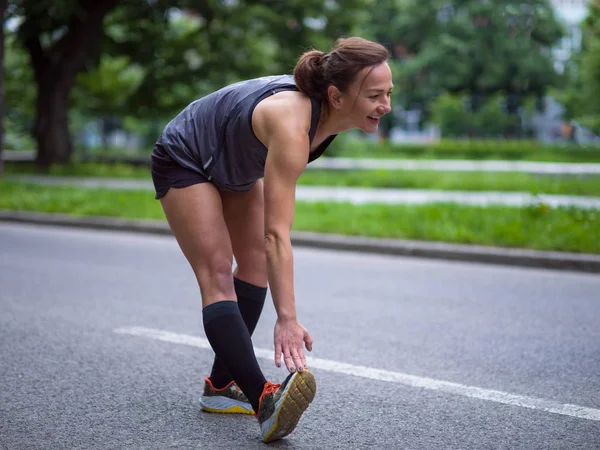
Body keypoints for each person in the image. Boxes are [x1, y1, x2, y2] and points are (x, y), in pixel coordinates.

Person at [150, 36, 393, 442]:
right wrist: (287, 318)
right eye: (374, 96)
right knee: (217, 274)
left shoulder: (323, 120)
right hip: (187, 157)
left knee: (257, 266)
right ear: (336, 95)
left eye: (388, 93)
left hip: (232, 165)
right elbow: (276, 234)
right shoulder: (293, 123)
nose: (385, 105)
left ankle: (220, 386)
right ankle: (263, 397)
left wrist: (287, 312)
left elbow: (272, 240)